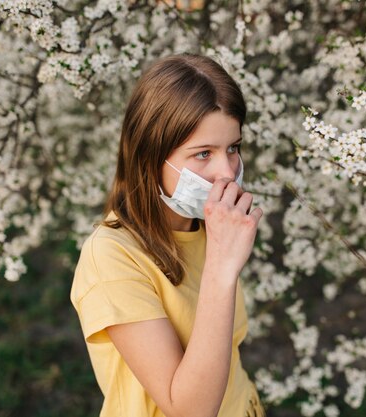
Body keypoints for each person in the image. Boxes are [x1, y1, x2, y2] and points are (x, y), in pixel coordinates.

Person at [70, 53, 265, 417]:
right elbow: (190, 410)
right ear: (151, 156)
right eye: (203, 153)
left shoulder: (206, 227)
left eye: (233, 148)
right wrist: (222, 268)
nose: (226, 171)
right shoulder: (111, 259)